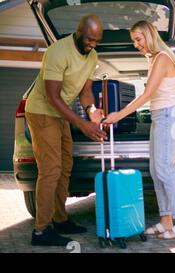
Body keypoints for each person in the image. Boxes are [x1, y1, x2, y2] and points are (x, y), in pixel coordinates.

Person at [103, 20, 175, 239]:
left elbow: (148, 94)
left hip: (170, 114)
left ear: (149, 36)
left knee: (165, 169)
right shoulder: (154, 59)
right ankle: (166, 220)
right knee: (156, 170)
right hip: (161, 115)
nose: (136, 44)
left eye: (138, 39)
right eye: (134, 40)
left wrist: (118, 115)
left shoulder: (162, 57)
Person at [25, 15, 106, 246]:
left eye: (96, 41)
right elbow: (52, 96)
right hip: (42, 110)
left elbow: (85, 91)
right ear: (79, 33)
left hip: (60, 113)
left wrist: (91, 110)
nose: (93, 44)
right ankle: (41, 230)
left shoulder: (92, 55)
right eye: (90, 39)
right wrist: (82, 124)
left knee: (65, 166)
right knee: (50, 169)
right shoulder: (57, 52)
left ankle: (60, 219)